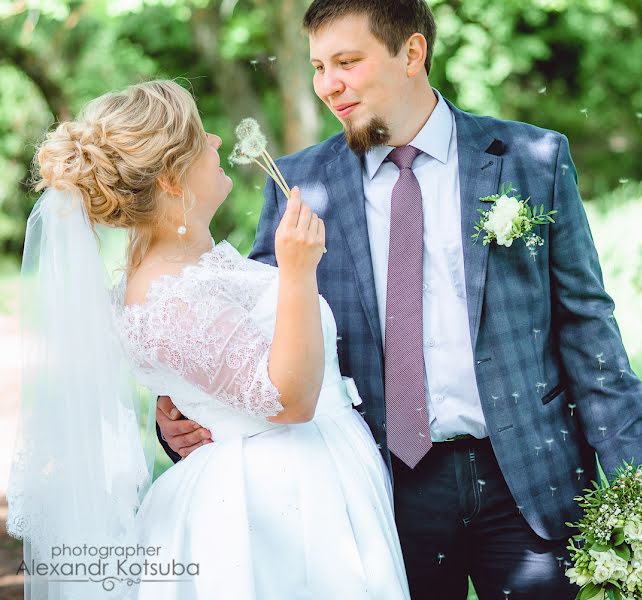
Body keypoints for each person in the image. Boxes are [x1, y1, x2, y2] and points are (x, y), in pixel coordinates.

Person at [157, 1, 642, 598]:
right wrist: (187, 412)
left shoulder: (531, 160)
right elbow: (255, 339)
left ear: (412, 53)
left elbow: (586, 326)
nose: (329, 85)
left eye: (347, 61)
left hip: (530, 477)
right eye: (319, 67)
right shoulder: (298, 185)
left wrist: (637, 470)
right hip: (383, 490)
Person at [7, 80, 410, 599]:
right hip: (273, 509)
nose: (217, 141)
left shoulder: (188, 268)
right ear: (173, 180)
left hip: (309, 480)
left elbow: (216, 361)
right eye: (201, 136)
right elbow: (288, 400)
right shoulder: (168, 294)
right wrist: (297, 271)